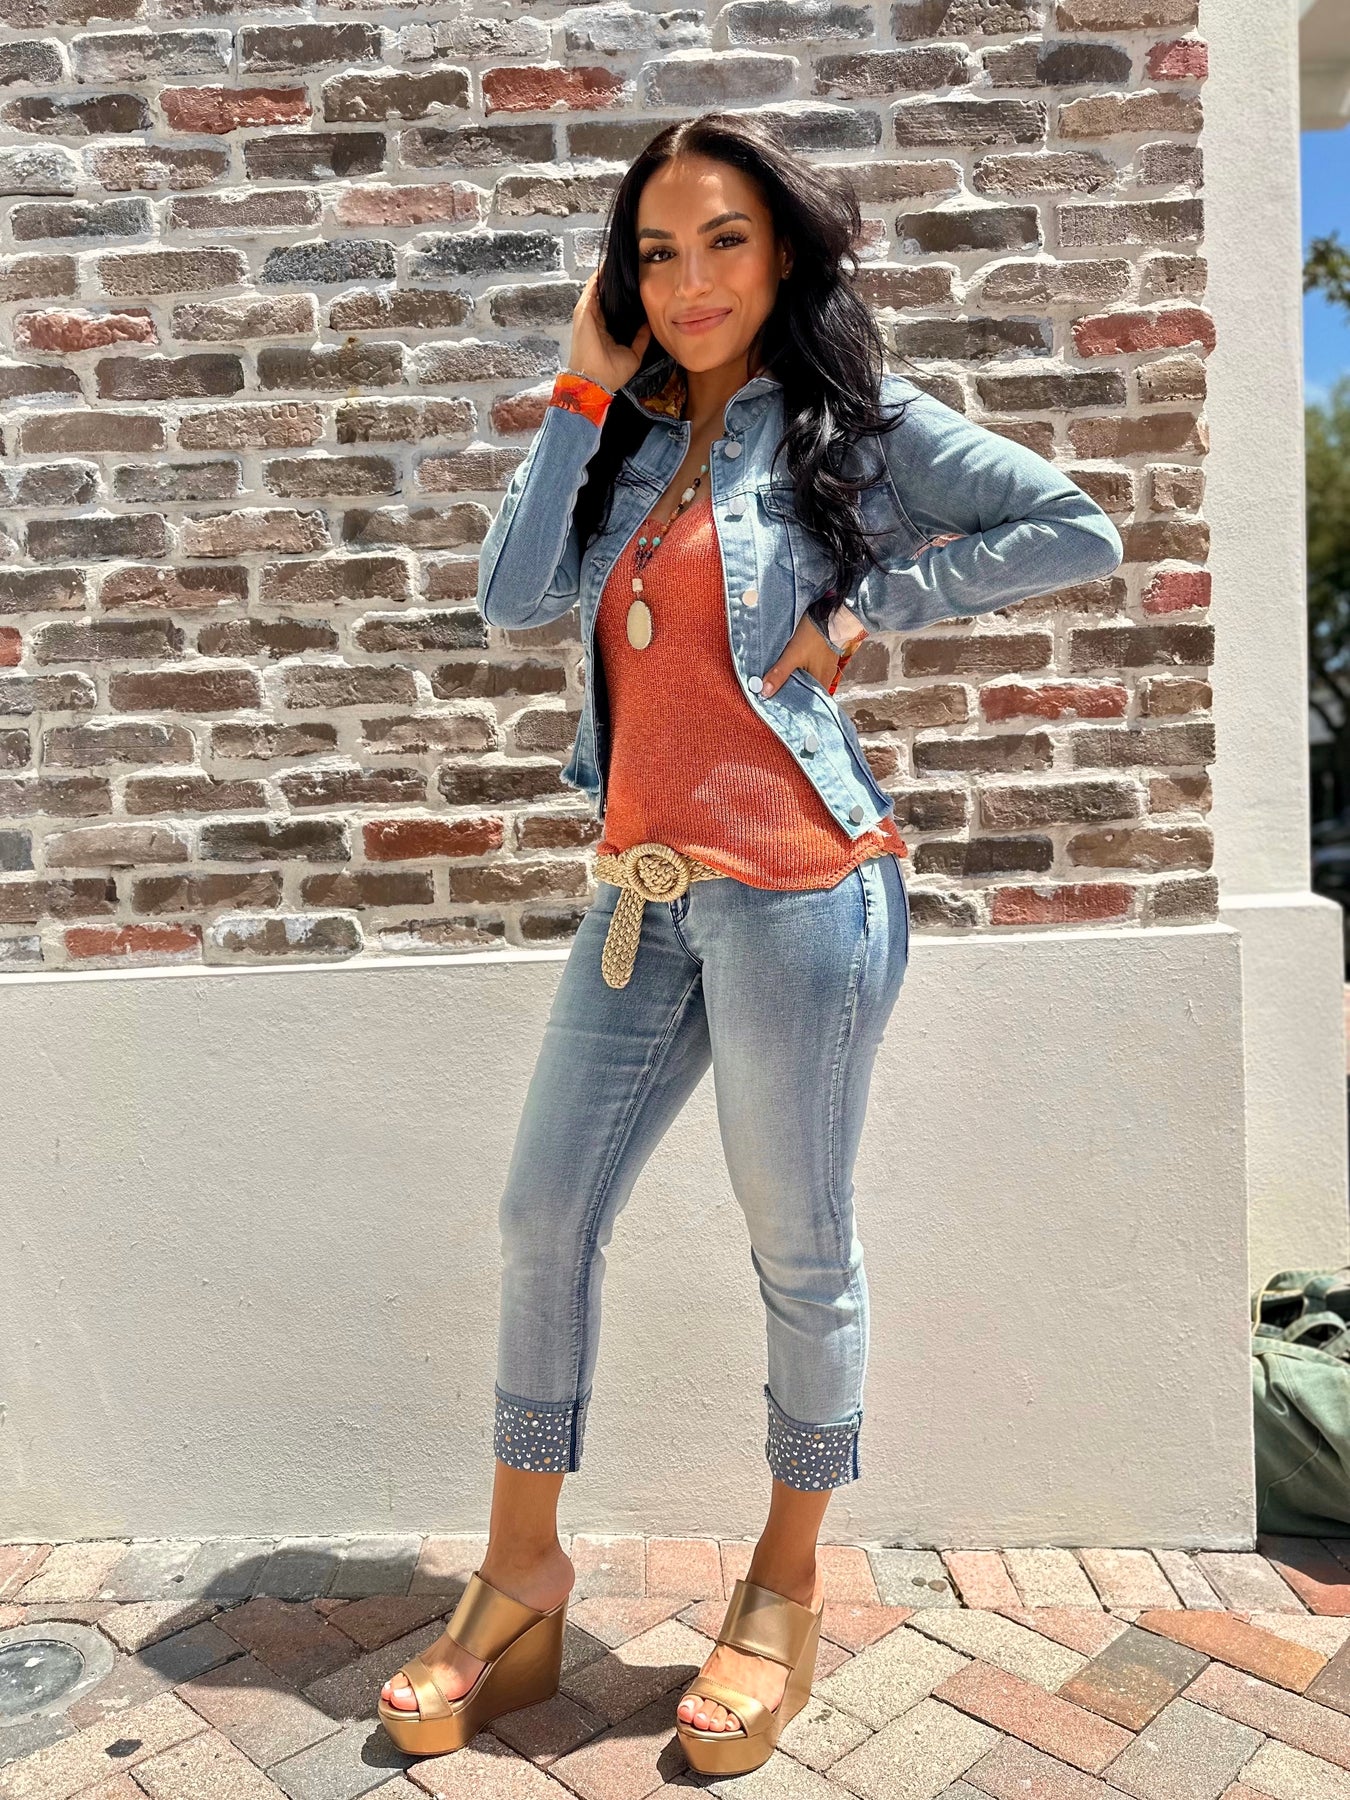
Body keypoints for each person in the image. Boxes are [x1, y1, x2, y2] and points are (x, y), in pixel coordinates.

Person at [378, 110, 1123, 1776]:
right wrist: (579, 390)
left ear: (780, 251)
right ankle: (519, 1571)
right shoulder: (625, 435)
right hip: (639, 901)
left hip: (802, 893)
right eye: (656, 252)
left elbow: (1077, 524)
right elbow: (510, 598)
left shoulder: (855, 427)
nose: (690, 280)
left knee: (798, 1248)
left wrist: (869, 607)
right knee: (541, 1217)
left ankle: (782, 1587)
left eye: (723, 239)